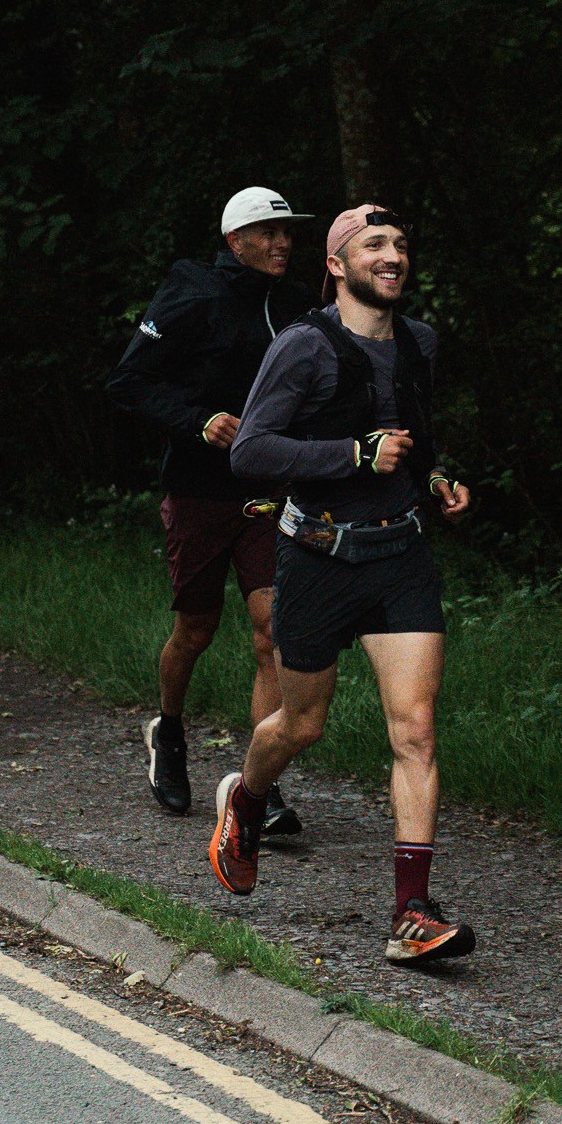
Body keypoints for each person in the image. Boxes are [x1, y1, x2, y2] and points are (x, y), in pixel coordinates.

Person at [211, 203, 475, 965]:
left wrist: (439, 477)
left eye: (400, 244)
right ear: (336, 264)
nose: (392, 256)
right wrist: (352, 458)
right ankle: (247, 799)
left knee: (415, 730)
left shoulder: (418, 343)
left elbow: (415, 435)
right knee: (300, 726)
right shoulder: (302, 346)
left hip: (399, 556)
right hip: (317, 557)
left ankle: (411, 914)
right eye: (374, 245)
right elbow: (251, 451)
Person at [107, 186, 313, 827]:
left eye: (287, 233)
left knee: (271, 631)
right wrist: (198, 421)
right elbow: (128, 382)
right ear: (235, 242)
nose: (282, 243)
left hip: (266, 493)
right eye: (267, 232)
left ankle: (261, 787)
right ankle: (168, 731)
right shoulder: (193, 293)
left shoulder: (297, 303)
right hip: (198, 490)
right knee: (196, 630)